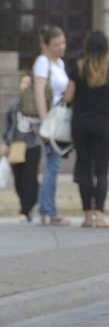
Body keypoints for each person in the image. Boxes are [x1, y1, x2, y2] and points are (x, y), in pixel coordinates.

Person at [63, 30, 109, 229]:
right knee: (102, 170)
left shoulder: (78, 67)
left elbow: (68, 97)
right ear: (106, 47)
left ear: (86, 47)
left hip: (80, 123)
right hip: (102, 123)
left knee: (84, 169)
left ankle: (86, 216)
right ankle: (99, 215)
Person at [33, 25, 70, 226]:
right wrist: (44, 121)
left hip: (59, 120)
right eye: (56, 44)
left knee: (54, 166)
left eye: (63, 43)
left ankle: (47, 208)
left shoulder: (60, 64)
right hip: (49, 121)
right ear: (47, 45)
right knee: (52, 166)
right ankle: (48, 210)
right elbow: (39, 92)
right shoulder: (42, 62)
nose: (61, 47)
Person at [2, 73, 43, 223]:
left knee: (29, 177)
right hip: (16, 144)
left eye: (28, 83)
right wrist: (5, 143)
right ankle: (26, 204)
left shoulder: (37, 102)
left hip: (33, 144)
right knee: (18, 179)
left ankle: (25, 210)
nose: (26, 86)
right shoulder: (14, 103)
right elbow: (8, 125)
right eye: (23, 83)